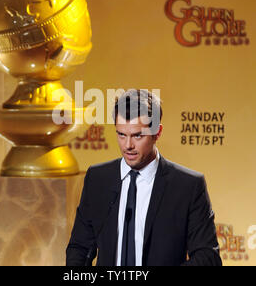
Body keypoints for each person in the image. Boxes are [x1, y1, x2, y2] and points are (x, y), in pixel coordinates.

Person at [66, 89, 222, 266]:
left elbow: (208, 258)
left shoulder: (188, 186)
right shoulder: (98, 179)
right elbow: (79, 248)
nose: (128, 146)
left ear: (157, 132)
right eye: (121, 134)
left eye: (137, 135)